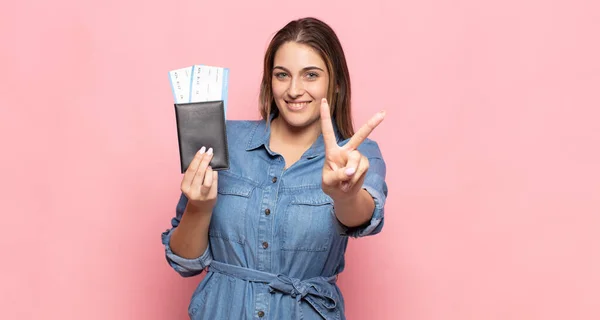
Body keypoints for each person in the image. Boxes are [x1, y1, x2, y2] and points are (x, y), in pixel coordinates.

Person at [161, 17, 388, 320]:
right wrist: (199, 207)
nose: (294, 90)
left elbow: (363, 216)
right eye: (282, 75)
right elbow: (184, 263)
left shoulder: (357, 155)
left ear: (335, 85)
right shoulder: (222, 139)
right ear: (270, 81)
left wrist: (344, 194)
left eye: (311, 75)